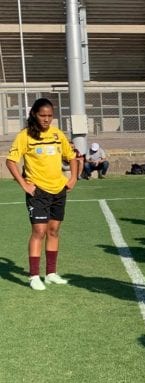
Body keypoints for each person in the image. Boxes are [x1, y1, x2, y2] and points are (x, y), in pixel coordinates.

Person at [5, 98, 78, 291]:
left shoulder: (57, 134)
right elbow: (11, 161)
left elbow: (72, 157)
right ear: (34, 115)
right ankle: (34, 276)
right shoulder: (25, 136)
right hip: (38, 192)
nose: (46, 119)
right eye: (42, 115)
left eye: (50, 116)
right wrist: (24, 185)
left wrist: (73, 179)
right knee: (39, 232)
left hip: (58, 190)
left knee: (53, 231)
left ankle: (51, 273)